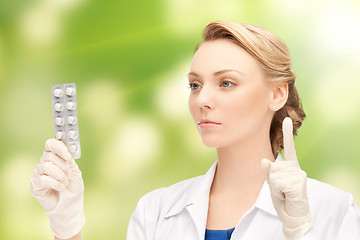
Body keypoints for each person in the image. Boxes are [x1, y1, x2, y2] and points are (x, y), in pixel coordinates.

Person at [30, 21, 360, 240]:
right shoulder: (157, 210)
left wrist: (300, 232)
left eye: (226, 82)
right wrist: (67, 224)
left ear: (277, 94)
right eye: (194, 85)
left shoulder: (332, 210)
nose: (202, 99)